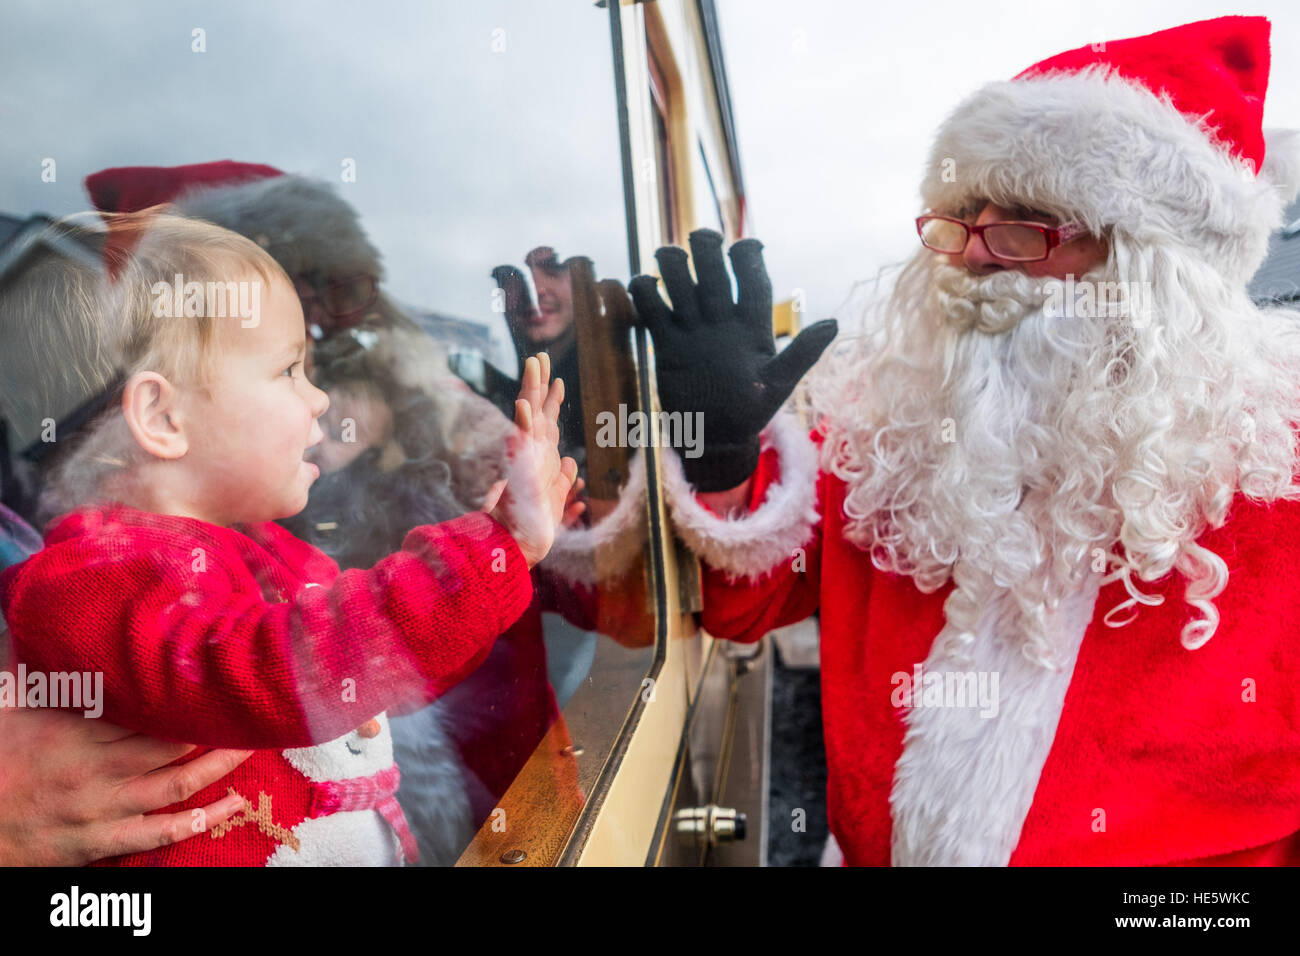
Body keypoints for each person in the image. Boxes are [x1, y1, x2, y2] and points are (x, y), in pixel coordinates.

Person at [637, 16, 1300, 865]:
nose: (974, 259)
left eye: (1024, 223)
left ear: (1150, 265)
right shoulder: (892, 431)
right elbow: (748, 605)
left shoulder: (1275, 478)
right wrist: (721, 454)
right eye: (959, 220)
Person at [0, 211, 577, 865]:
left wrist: (491, 557)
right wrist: (494, 548)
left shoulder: (265, 550)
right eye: (288, 372)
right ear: (163, 417)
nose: (320, 400)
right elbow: (281, 672)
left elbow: (383, 670)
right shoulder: (93, 581)